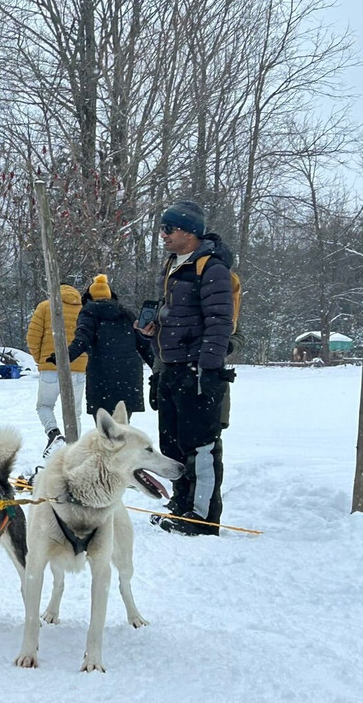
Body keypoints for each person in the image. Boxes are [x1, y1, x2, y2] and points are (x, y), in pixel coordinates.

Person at [138, 199, 235, 536]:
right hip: (170, 367)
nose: (162, 235)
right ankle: (181, 505)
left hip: (197, 370)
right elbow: (177, 317)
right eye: (162, 228)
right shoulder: (172, 265)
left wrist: (208, 371)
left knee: (200, 446)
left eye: (169, 228)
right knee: (172, 444)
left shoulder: (211, 267)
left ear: (190, 231)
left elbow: (220, 322)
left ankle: (202, 518)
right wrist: (153, 332)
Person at [53, 274, 153, 420]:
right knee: (122, 424)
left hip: (102, 374)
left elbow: (83, 338)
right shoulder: (127, 313)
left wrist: (64, 357)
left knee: (104, 426)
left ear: (89, 297)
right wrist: (157, 367)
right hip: (129, 375)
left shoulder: (89, 312)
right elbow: (144, 345)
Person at [26, 283, 87, 458]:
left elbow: (32, 338)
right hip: (78, 368)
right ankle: (73, 448)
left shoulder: (46, 307)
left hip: (51, 366)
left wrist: (41, 359)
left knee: (44, 405)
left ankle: (53, 433)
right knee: (75, 412)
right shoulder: (84, 310)